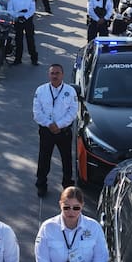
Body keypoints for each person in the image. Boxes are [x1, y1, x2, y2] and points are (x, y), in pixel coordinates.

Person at [32, 63, 77, 197]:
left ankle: (67, 185)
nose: (54, 76)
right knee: (44, 159)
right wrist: (49, 124)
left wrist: (59, 125)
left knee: (66, 159)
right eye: (52, 73)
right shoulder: (41, 90)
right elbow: (37, 112)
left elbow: (73, 112)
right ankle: (41, 184)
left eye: (57, 73)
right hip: (46, 131)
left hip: (64, 132)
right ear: (49, 75)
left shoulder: (70, 91)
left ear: (62, 75)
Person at [6, 0, 39, 66]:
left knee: (30, 40)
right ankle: (18, 59)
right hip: (17, 20)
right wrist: (17, 16)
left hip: (27, 19)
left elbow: (32, 9)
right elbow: (10, 10)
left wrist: (25, 17)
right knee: (18, 40)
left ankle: (34, 59)